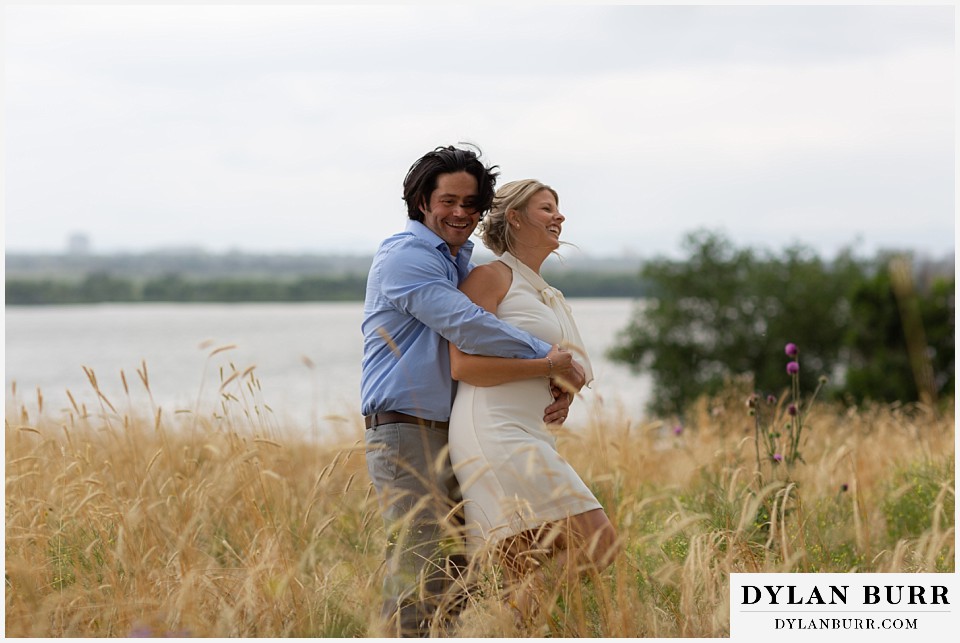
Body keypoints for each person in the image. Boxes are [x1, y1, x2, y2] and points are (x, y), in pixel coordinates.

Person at [360, 146, 585, 637]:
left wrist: (553, 373)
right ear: (421, 200)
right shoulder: (406, 256)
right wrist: (548, 360)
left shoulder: (459, 259)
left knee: (459, 568)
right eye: (449, 200)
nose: (461, 212)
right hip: (406, 429)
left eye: (471, 204)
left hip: (455, 431)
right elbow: (467, 325)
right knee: (422, 565)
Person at [447, 179, 619, 625]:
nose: (559, 216)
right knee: (600, 543)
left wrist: (564, 391)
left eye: (559, 208)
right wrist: (548, 370)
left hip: (530, 432)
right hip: (493, 430)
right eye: (546, 208)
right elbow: (463, 366)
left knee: (521, 572)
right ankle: (492, 630)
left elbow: (557, 361)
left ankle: (494, 630)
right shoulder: (489, 278)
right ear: (515, 218)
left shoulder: (543, 290)